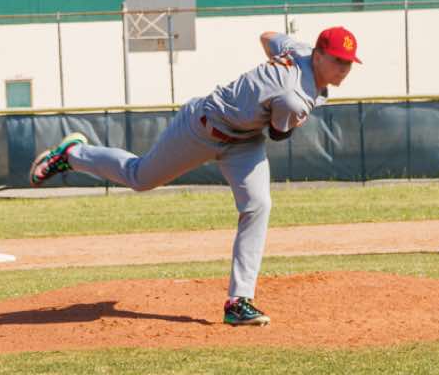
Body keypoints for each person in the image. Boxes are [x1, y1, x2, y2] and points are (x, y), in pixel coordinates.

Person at [28, 25, 360, 327]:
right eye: (337, 60)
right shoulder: (293, 98)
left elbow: (267, 36)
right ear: (317, 55)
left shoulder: (297, 49)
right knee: (140, 177)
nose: (344, 68)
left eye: (348, 62)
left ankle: (238, 301)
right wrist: (270, 85)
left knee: (258, 205)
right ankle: (72, 154)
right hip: (202, 128)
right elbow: (278, 134)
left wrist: (267, 76)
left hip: (244, 142)